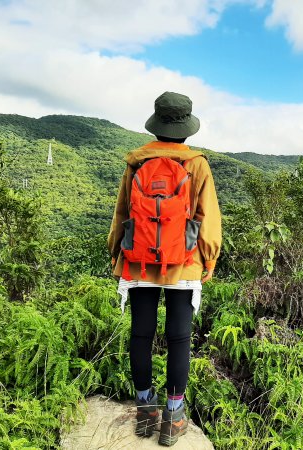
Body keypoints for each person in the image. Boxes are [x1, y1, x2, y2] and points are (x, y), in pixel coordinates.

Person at [107, 91, 222, 446]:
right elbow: (207, 219)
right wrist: (209, 258)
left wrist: (116, 256)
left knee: (140, 335)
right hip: (184, 263)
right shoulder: (197, 164)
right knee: (179, 338)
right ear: (186, 128)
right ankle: (173, 419)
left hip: (139, 260)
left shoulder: (136, 161)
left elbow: (122, 213)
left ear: (156, 125)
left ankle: (144, 411)